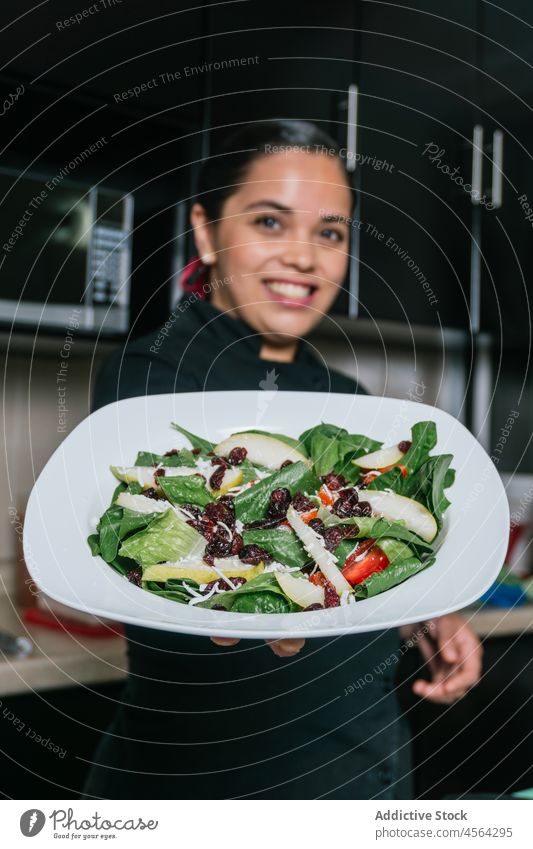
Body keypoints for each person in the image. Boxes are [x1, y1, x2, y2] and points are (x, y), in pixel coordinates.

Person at [83, 121, 482, 800]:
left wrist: (424, 604)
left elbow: (356, 548)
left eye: (328, 232)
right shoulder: (147, 378)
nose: (304, 256)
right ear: (206, 233)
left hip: (361, 769)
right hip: (209, 784)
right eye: (271, 221)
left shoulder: (343, 398)